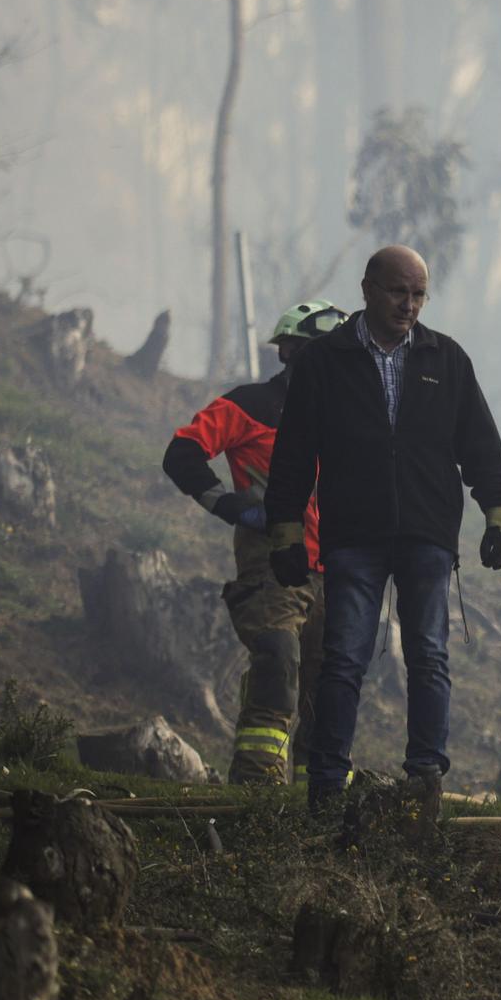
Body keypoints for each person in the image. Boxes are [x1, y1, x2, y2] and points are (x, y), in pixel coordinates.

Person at [263, 245, 501, 813]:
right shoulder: (324, 362)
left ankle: (423, 779)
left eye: (419, 294)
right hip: (353, 534)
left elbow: (481, 446)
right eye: (399, 292)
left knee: (429, 655)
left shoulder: (446, 359)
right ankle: (327, 783)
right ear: (368, 289)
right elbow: (293, 456)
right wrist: (284, 530)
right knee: (344, 658)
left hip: (428, 536)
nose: (409, 305)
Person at [162, 300, 346, 784]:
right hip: (273, 567)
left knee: (330, 688)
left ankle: (324, 796)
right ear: (288, 351)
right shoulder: (252, 404)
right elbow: (182, 453)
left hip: (341, 574)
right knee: (278, 666)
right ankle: (258, 787)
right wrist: (232, 506)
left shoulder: (353, 420)